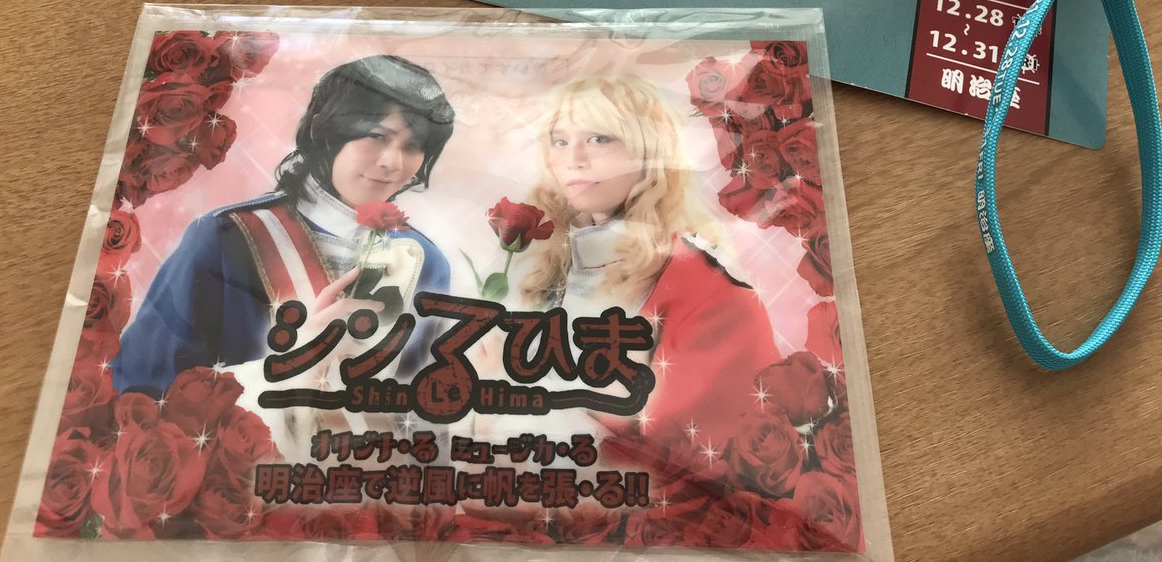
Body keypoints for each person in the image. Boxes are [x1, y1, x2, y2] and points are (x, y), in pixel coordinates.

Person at [112, 55, 456, 397]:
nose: (393, 162)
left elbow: (419, 402)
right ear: (321, 130)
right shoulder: (227, 237)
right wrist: (295, 364)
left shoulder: (425, 261)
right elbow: (141, 392)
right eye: (376, 136)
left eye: (413, 146)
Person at [517, 75, 781, 449]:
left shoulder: (710, 292)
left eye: (599, 138)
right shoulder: (552, 265)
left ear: (649, 151)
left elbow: (693, 454)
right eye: (560, 141)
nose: (573, 160)